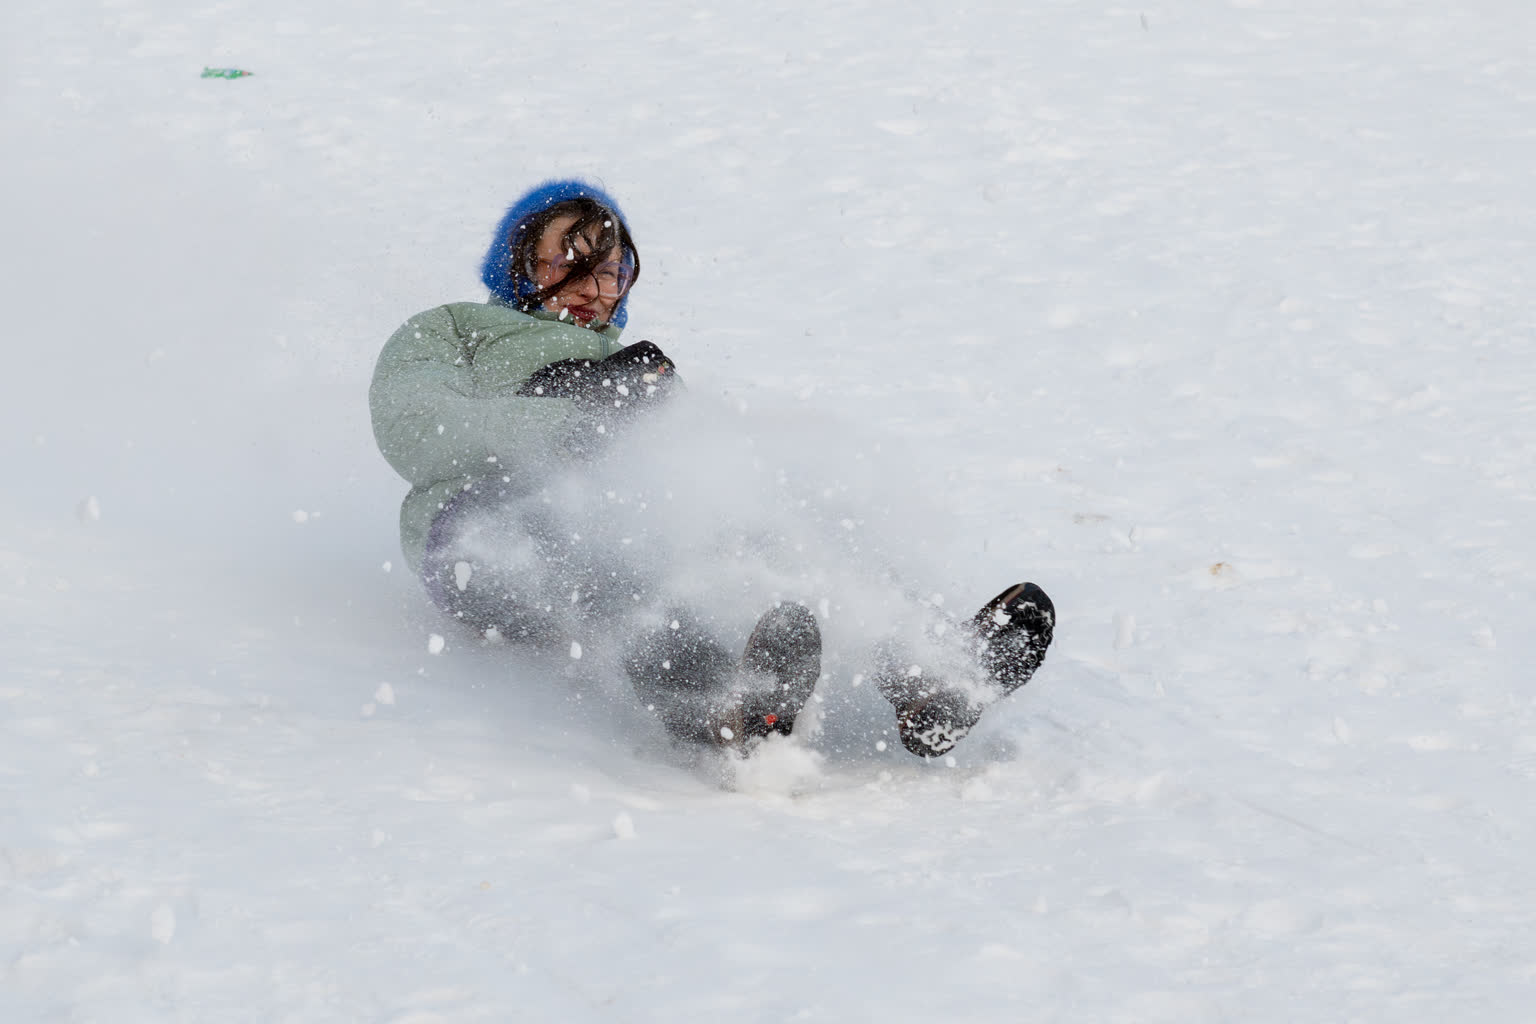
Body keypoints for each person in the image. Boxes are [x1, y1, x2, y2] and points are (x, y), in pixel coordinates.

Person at [370, 178, 1055, 759]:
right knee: (596, 529)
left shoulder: (633, 366)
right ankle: (714, 704)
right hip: (480, 534)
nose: (592, 288)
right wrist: (576, 423)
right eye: (568, 261)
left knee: (778, 508)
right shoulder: (454, 329)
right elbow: (416, 427)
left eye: (612, 272)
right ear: (517, 261)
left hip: (613, 510)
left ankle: (929, 673)